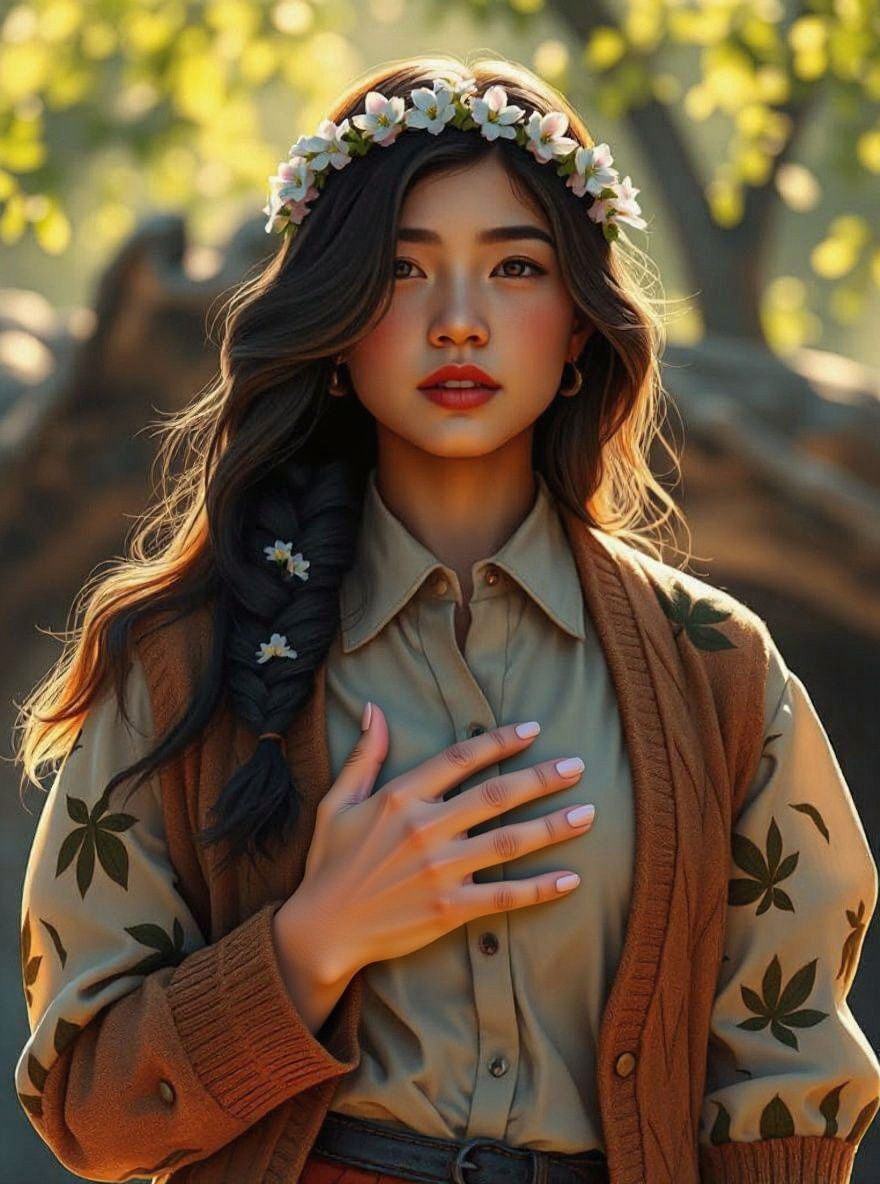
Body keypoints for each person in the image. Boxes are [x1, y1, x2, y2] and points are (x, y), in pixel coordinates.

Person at [13, 53, 879, 1184]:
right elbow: (89, 1107)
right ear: (334, 322)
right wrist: (311, 940)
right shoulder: (179, 662)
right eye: (403, 270)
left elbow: (786, 1085)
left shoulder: (716, 669)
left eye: (514, 267)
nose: (459, 321)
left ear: (579, 324)